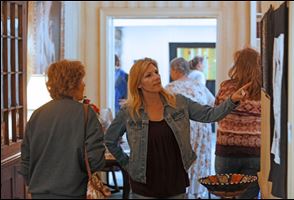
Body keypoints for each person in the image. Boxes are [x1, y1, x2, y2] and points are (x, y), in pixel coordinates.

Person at [104, 57, 251, 199]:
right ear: (138, 84)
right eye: (149, 75)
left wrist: (232, 100)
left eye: (156, 72)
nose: (156, 77)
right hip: (143, 184)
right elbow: (110, 140)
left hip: (175, 181)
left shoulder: (178, 102)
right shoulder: (129, 112)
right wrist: (128, 164)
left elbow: (210, 115)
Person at [19, 60, 106, 199]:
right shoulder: (86, 114)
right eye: (81, 80)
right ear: (72, 83)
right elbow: (95, 160)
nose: (84, 84)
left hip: (39, 193)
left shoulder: (37, 115)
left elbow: (25, 161)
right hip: (74, 192)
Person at [214, 47, 261, 199]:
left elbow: (216, 114)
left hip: (226, 151)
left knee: (226, 195)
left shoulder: (226, 87)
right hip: (254, 152)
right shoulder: (263, 90)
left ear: (237, 65)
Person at [165, 57, 215, 199]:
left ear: (174, 70)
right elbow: (212, 104)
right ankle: (197, 192)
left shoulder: (169, 88)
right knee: (197, 161)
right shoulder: (199, 86)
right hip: (201, 129)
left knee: (179, 161)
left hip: (179, 130)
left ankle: (181, 191)